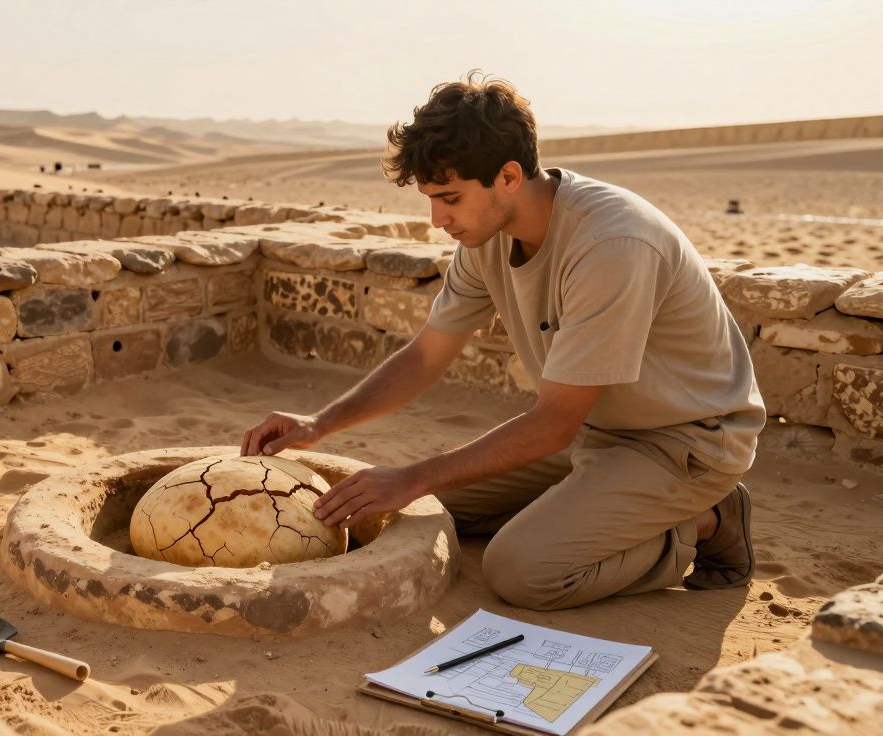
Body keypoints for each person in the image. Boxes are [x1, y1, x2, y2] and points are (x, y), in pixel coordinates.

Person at [240, 72, 766, 611]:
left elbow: (554, 421)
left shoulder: (612, 244)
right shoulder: (487, 234)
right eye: (429, 199)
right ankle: (588, 505)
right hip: (593, 434)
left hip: (683, 444)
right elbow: (425, 356)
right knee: (424, 508)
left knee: (521, 571)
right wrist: (319, 424)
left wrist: (412, 475)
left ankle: (705, 522)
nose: (437, 219)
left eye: (448, 198)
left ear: (509, 176)